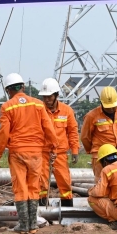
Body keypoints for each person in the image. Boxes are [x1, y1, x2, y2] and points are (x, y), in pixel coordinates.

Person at [0, 73, 58, 234]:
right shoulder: (37, 104)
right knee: (33, 187)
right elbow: (49, 128)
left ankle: (23, 225)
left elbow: (3, 134)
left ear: (8, 90)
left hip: (17, 153)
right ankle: (33, 225)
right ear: (23, 87)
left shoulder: (7, 107)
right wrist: (54, 149)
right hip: (36, 153)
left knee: (20, 188)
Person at [38, 78, 80, 207]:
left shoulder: (66, 111)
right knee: (41, 184)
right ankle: (42, 213)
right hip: (43, 153)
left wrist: (74, 151)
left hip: (60, 154)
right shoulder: (38, 110)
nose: (46, 100)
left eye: (49, 97)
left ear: (56, 95)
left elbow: (73, 132)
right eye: (44, 97)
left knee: (65, 183)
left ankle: (67, 212)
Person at [81, 86, 117, 182]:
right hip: (101, 157)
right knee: (102, 185)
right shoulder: (92, 116)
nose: (111, 109)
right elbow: (85, 137)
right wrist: (95, 151)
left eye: (113, 106)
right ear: (101, 103)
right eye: (108, 106)